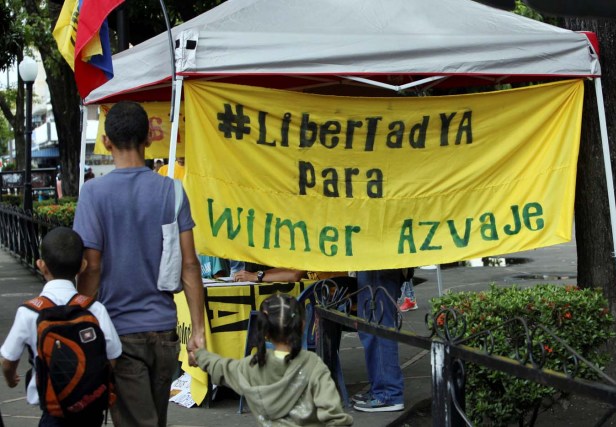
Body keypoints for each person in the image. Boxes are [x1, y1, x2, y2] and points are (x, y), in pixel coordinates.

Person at [73, 101, 205, 427]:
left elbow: (91, 268)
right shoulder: (173, 191)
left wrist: (83, 324)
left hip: (118, 334)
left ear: (106, 141)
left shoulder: (93, 194)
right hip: (163, 333)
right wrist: (198, 331)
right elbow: (190, 266)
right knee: (154, 419)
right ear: (149, 137)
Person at [0, 227, 122, 427]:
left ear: (41, 265)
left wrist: (11, 377)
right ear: (82, 266)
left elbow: (8, 359)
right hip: (90, 411)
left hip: (53, 413)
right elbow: (113, 355)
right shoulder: (94, 309)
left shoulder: (29, 312)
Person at [192, 294, 353, 426]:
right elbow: (335, 417)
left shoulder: (252, 366)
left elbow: (222, 368)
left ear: (265, 333)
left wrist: (199, 354)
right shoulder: (312, 364)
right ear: (302, 325)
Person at [352, 269, 405, 412]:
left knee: (378, 327)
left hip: (377, 266)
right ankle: (381, 389)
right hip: (377, 265)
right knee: (373, 326)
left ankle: (387, 394)